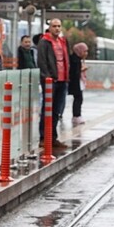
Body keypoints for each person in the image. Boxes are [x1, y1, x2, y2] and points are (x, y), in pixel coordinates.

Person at [37, 19, 69, 149]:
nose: (57, 28)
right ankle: (44, 137)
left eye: (59, 26)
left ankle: (52, 137)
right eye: (54, 26)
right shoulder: (44, 42)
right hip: (51, 81)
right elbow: (42, 61)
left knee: (57, 111)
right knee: (47, 109)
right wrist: (47, 78)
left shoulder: (63, 41)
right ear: (49, 28)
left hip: (62, 80)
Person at [69, 42, 89, 126]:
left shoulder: (77, 59)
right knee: (78, 98)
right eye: (84, 51)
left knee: (79, 98)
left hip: (77, 82)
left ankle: (77, 115)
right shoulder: (74, 60)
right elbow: (74, 72)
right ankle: (76, 115)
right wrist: (82, 70)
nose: (86, 53)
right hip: (75, 82)